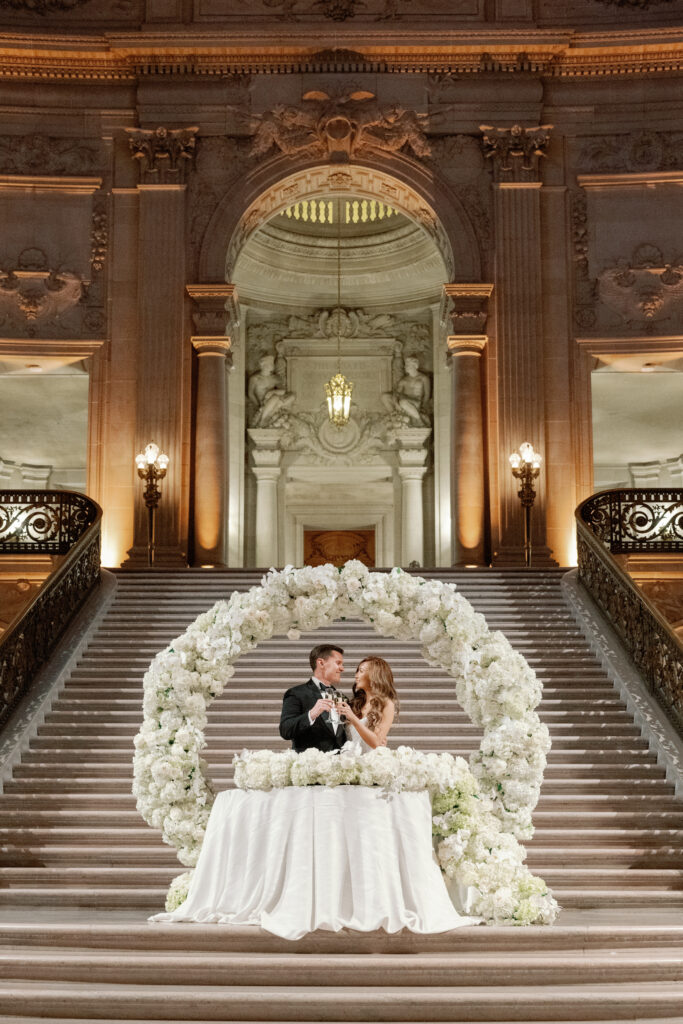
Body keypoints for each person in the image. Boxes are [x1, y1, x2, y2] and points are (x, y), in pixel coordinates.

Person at [279, 643, 347, 753]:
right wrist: (311, 714)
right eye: (338, 663)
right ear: (321, 663)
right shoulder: (296, 693)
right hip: (310, 766)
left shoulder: (342, 698)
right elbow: (285, 730)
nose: (342, 668)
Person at [338, 655, 399, 753]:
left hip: (371, 763)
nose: (356, 675)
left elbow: (376, 742)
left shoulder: (387, 704)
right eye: (357, 671)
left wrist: (352, 718)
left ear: (374, 675)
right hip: (350, 762)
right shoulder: (356, 703)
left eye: (361, 671)